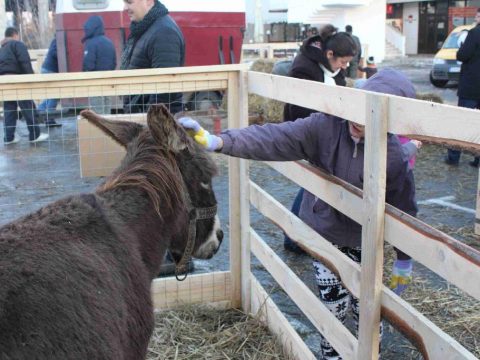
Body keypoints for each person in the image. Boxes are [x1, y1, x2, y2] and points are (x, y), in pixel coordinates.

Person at [180, 69, 418, 360]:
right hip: (325, 233)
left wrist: (404, 259)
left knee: (368, 311)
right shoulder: (325, 126)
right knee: (333, 309)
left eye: (370, 118)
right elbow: (275, 137)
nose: (358, 121)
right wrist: (218, 141)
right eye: (359, 108)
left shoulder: (392, 155)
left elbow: (405, 206)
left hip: (365, 242)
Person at [283, 24, 357, 254]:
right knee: (311, 183)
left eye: (347, 63)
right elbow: (297, 107)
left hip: (331, 133)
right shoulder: (304, 68)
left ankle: (298, 236)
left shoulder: (334, 70)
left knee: (314, 183)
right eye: (342, 61)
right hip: (310, 132)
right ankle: (293, 237)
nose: (344, 67)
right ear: (329, 54)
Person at [121, 0, 185, 114]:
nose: (125, 8)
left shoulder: (164, 32)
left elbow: (164, 89)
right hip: (144, 117)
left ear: (149, 1)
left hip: (155, 123)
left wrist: (149, 123)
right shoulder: (145, 28)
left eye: (129, 2)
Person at [0, 27, 49, 144]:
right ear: (15, 34)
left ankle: (9, 137)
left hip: (4, 80)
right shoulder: (17, 44)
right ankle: (34, 135)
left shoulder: (2, 48)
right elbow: (24, 61)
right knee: (27, 106)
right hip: (18, 79)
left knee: (9, 108)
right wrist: (30, 78)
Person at [445, 8, 480, 167]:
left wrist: (460, 48)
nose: (476, 17)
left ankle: (453, 157)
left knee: (461, 121)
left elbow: (463, 55)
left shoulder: (474, 33)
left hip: (472, 85)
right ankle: (478, 159)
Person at [82, 15, 117, 114]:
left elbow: (89, 65)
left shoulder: (91, 44)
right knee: (107, 111)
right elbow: (114, 63)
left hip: (95, 83)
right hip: (108, 82)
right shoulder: (110, 42)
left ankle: (99, 130)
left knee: (97, 113)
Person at [37, 38, 62, 127]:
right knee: (54, 96)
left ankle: (38, 112)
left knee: (52, 95)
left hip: (48, 69)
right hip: (50, 70)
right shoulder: (58, 40)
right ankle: (49, 119)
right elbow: (54, 52)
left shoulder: (56, 39)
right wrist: (64, 53)